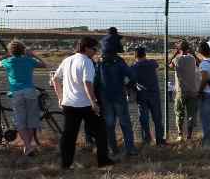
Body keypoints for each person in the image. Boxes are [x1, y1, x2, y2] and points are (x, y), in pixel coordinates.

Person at [54, 37, 115, 169]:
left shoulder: (67, 60)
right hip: (85, 104)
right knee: (100, 131)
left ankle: (65, 164)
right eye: (94, 49)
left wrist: (60, 97)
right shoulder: (87, 62)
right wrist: (94, 103)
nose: (95, 51)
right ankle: (103, 160)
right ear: (86, 48)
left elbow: (55, 79)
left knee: (69, 135)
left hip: (68, 104)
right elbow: (87, 83)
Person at [0, 41, 47, 156]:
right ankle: (28, 147)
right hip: (30, 91)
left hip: (16, 92)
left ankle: (27, 146)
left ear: (11, 51)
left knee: (20, 121)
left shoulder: (8, 61)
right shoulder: (29, 60)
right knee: (32, 120)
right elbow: (44, 64)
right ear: (23, 50)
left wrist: (7, 55)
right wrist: (32, 54)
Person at [98, 34, 137, 156]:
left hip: (105, 98)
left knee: (109, 125)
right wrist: (128, 86)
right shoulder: (119, 62)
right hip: (119, 96)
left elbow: (94, 81)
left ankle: (112, 149)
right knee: (125, 123)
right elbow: (132, 76)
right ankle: (130, 148)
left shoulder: (99, 63)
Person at [130, 47, 165, 146]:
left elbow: (131, 80)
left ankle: (147, 140)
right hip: (154, 95)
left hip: (142, 96)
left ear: (135, 56)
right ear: (145, 55)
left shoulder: (134, 67)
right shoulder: (152, 63)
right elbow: (156, 64)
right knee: (157, 119)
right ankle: (160, 140)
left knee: (144, 119)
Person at [169, 39, 200, 141]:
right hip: (193, 90)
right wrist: (193, 54)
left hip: (181, 90)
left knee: (179, 112)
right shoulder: (192, 59)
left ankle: (180, 134)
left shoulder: (176, 60)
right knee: (191, 113)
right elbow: (199, 63)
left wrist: (175, 54)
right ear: (188, 49)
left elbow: (169, 65)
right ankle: (189, 136)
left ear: (179, 49)